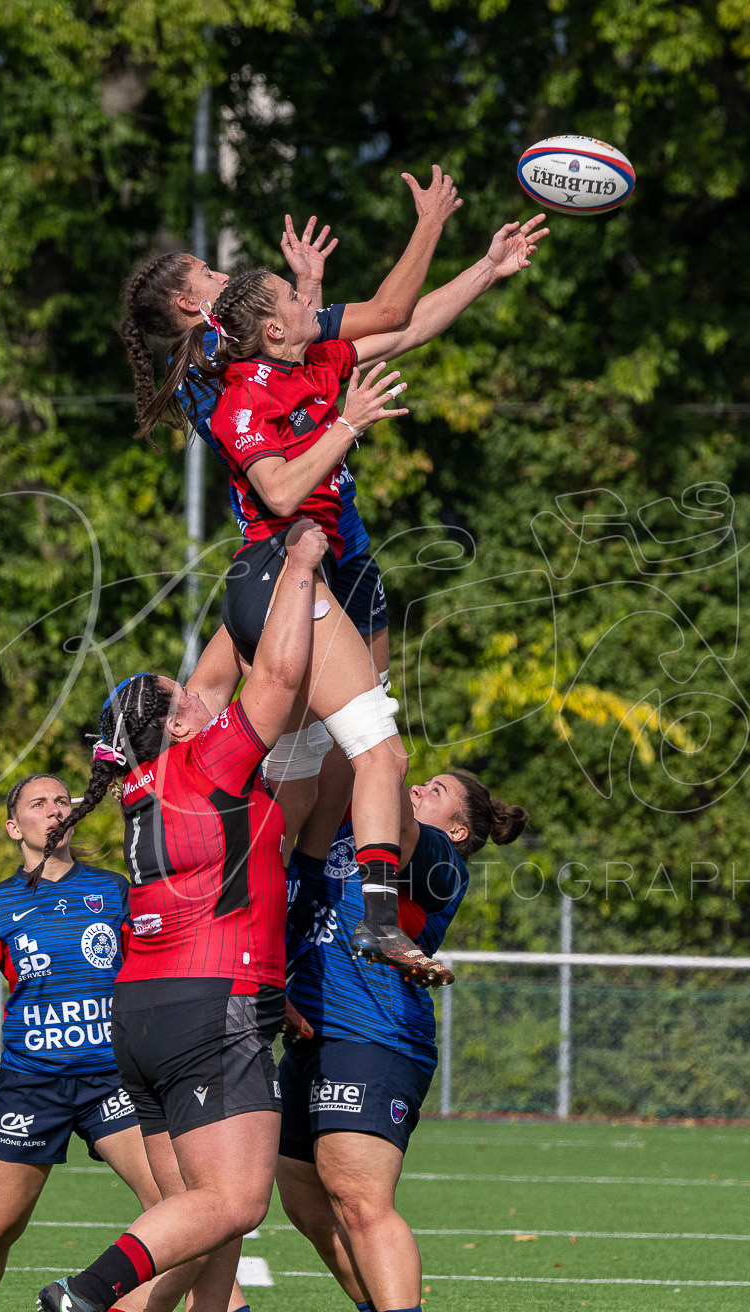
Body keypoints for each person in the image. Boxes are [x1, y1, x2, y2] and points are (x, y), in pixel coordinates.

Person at [182, 217, 547, 986]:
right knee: (379, 748)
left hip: (304, 582)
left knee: (293, 786)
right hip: (284, 578)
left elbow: (404, 321)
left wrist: (483, 266)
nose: (306, 295)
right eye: (290, 293)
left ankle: (238, 949)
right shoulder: (237, 398)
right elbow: (278, 486)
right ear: (270, 326)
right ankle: (378, 922)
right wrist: (348, 423)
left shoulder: (308, 358)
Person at [32, 520, 329, 1312]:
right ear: (175, 722)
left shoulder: (138, 782)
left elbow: (213, 670)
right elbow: (272, 669)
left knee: (197, 1204)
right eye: (187, 695)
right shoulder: (210, 761)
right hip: (209, 1002)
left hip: (144, 1011)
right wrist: (301, 562)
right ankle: (89, 1294)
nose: (205, 695)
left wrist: (251, 562)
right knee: (235, 1199)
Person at [0, 775, 279, 1312]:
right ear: (16, 828)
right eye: (39, 803)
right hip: (31, 1084)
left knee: (187, 1204)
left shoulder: (115, 891)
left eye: (63, 799)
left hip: (114, 1079)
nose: (55, 808)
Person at [119, 168, 464, 677]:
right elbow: (392, 316)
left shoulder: (207, 358)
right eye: (210, 274)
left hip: (330, 516)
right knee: (356, 712)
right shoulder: (224, 344)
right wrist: (430, 222)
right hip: (297, 535)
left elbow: (299, 382)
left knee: (360, 718)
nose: (224, 277)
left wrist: (308, 287)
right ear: (191, 303)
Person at [277, 770, 527, 1312]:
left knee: (359, 1197)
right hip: (313, 1034)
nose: (419, 791)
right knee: (307, 1204)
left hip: (374, 1032)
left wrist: (371, 744)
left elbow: (382, 791)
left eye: (436, 790)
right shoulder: (360, 831)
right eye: (421, 785)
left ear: (460, 828)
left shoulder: (439, 858)